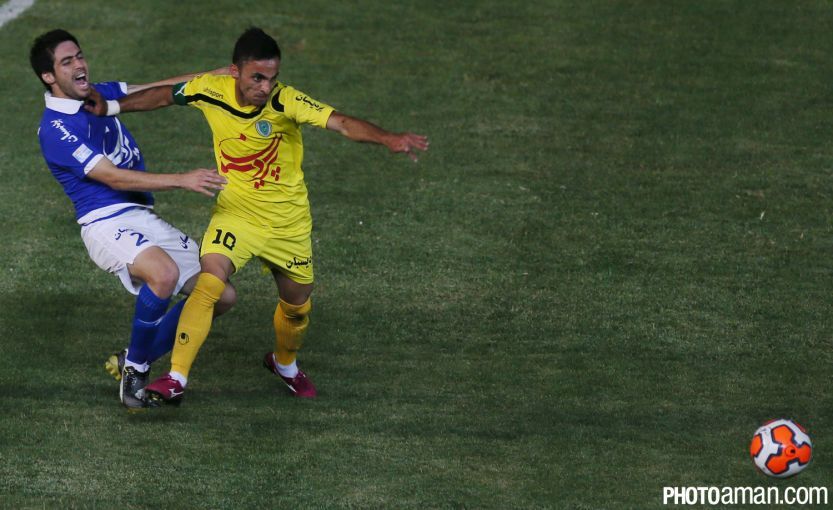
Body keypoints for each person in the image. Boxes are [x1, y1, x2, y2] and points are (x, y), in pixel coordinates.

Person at [91, 26, 429, 405]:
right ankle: (175, 377)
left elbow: (342, 122)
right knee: (209, 283)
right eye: (257, 78)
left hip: (287, 223)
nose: (266, 87)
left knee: (297, 307)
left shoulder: (287, 102)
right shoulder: (210, 90)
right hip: (236, 215)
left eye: (272, 78)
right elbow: (164, 95)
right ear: (235, 72)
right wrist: (112, 108)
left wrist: (388, 138)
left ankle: (284, 364)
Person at [31, 29, 236, 411]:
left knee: (220, 295)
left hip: (140, 216)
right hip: (104, 222)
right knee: (163, 274)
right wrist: (182, 179)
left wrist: (217, 76)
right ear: (48, 76)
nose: (79, 65)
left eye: (79, 56)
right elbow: (112, 177)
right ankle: (136, 374)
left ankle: (133, 357)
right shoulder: (56, 129)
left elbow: (156, 88)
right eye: (66, 62)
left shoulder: (99, 94)